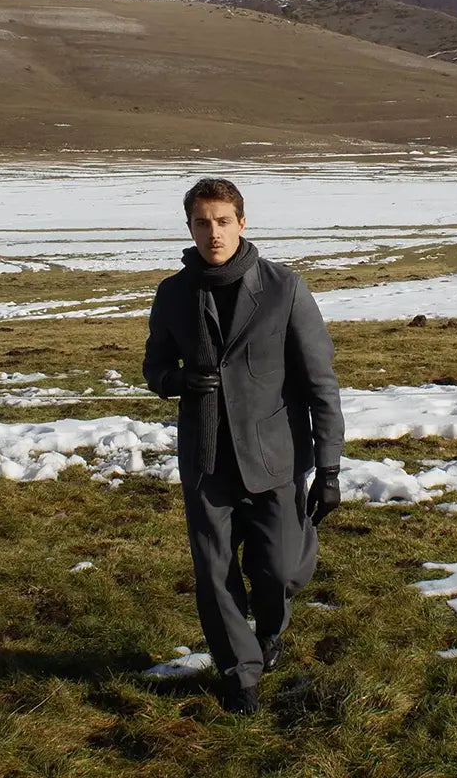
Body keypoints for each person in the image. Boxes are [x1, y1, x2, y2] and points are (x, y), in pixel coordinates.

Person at [143, 177, 345, 714]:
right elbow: (155, 367)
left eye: (223, 221)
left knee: (280, 570)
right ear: (189, 227)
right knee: (214, 573)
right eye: (202, 223)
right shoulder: (174, 294)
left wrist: (329, 469)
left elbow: (320, 383)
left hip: (275, 455)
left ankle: (271, 627)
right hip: (206, 458)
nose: (213, 233)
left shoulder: (283, 288)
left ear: (242, 223)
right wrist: (178, 381)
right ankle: (239, 673)